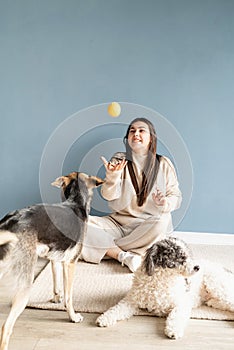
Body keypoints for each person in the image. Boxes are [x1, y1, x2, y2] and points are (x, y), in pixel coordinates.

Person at [81, 118, 182, 272]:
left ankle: (104, 247)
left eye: (142, 130)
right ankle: (124, 256)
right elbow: (108, 196)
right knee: (77, 223)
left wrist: (165, 203)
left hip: (147, 226)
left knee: (164, 219)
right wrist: (112, 177)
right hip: (116, 224)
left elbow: (176, 196)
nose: (136, 134)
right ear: (127, 138)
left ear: (151, 138)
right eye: (132, 131)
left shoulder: (163, 163)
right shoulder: (119, 159)